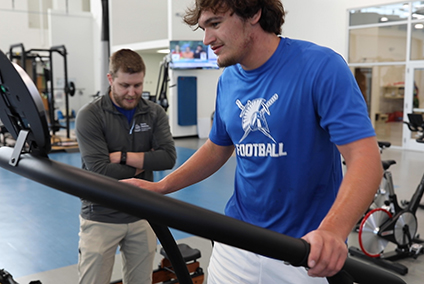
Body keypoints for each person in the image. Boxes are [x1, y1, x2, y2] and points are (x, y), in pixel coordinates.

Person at [122, 1, 383, 283]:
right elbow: (216, 147)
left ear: (254, 13)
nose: (207, 39)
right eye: (203, 27)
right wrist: (161, 187)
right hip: (237, 241)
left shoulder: (320, 67)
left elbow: (365, 160)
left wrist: (333, 230)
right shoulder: (228, 79)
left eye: (215, 24)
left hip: (302, 250)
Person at [75, 49, 176, 284]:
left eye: (138, 85)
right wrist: (144, 162)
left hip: (142, 213)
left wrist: (121, 156)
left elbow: (168, 158)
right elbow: (100, 171)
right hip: (101, 215)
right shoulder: (90, 115)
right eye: (125, 85)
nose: (132, 93)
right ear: (111, 80)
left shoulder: (154, 113)